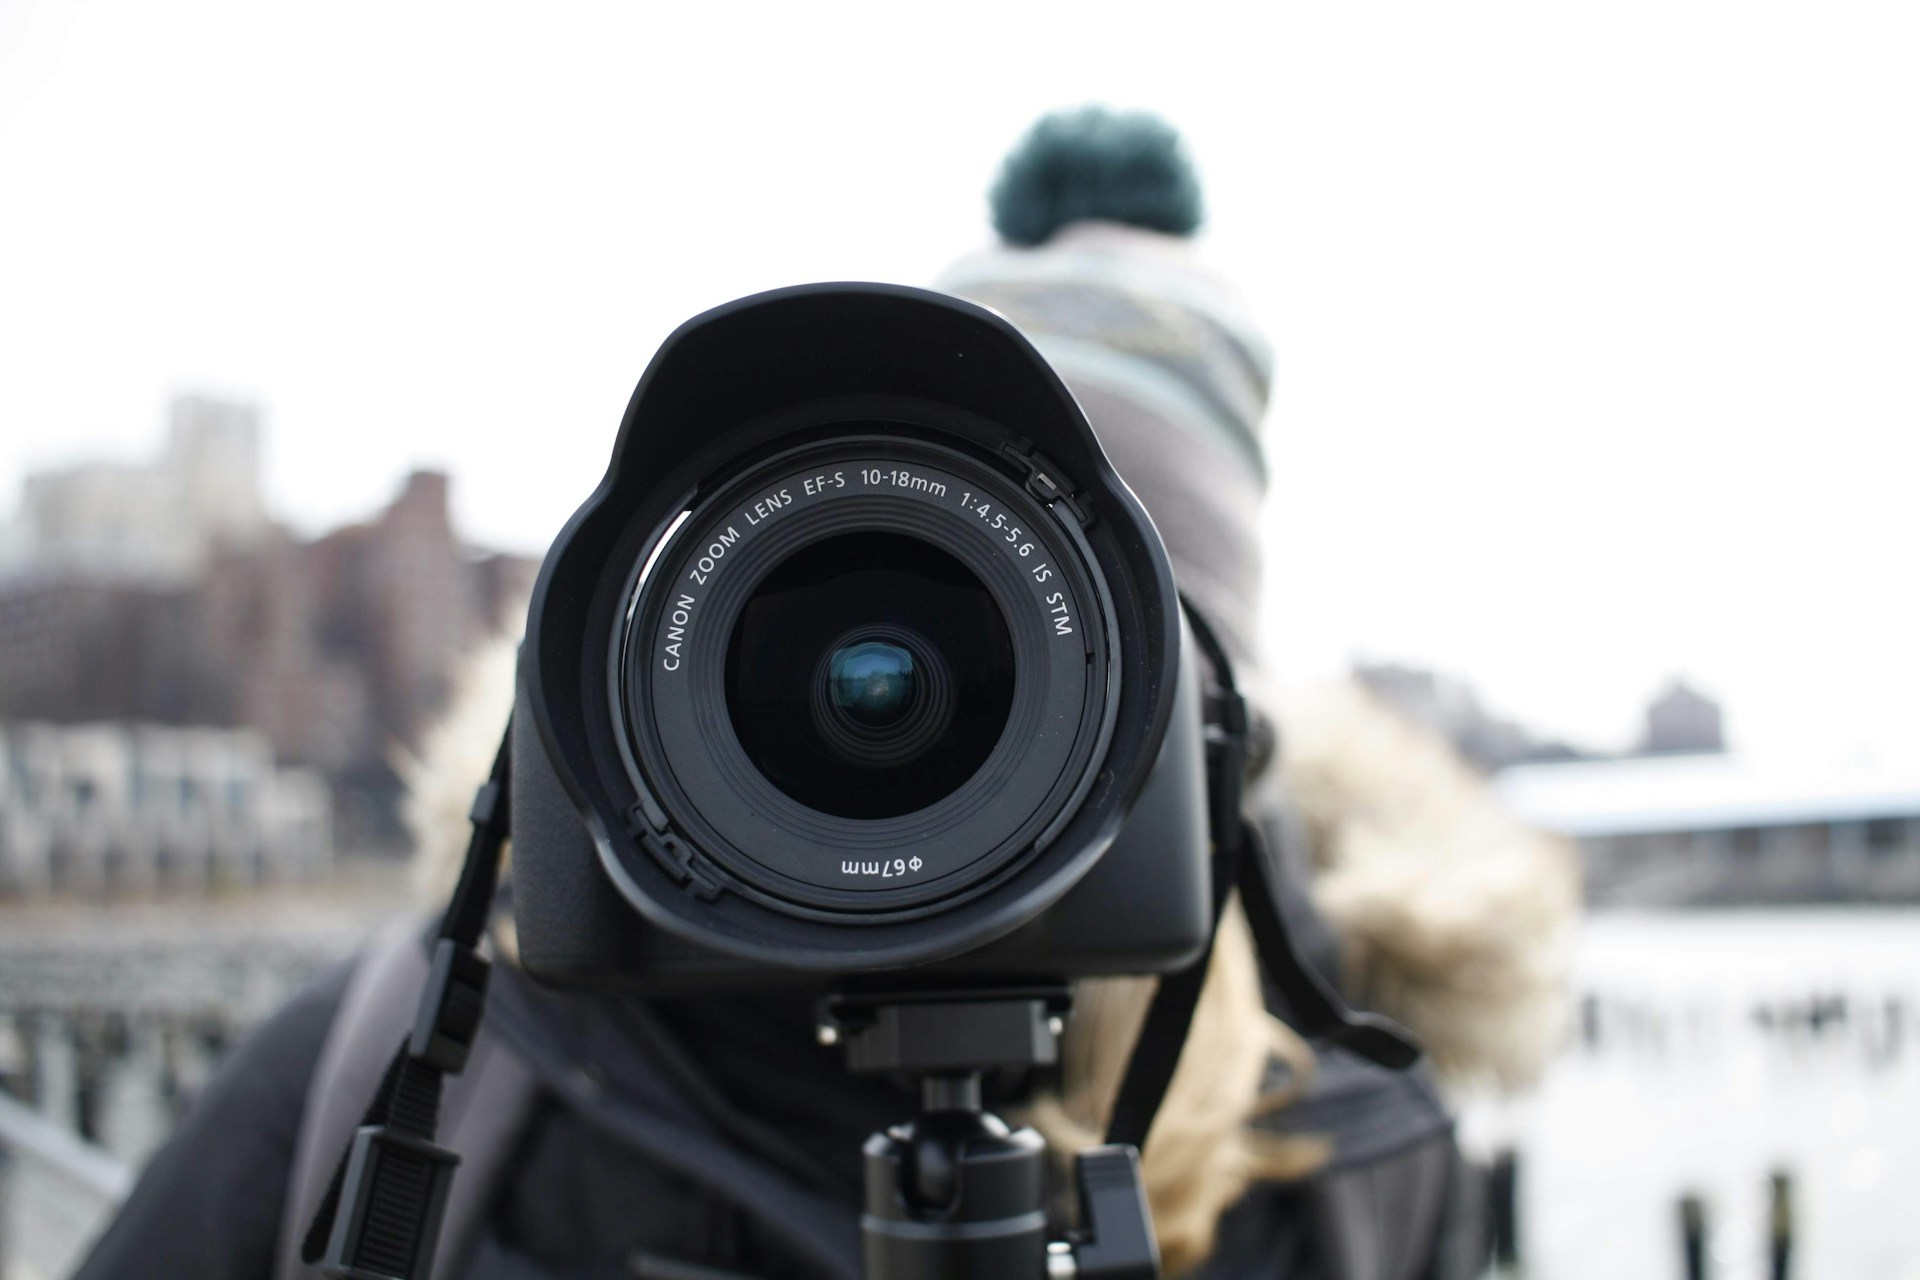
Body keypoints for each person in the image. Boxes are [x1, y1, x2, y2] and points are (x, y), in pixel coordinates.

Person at [74, 107, 1577, 1280]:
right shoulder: (428, 1060)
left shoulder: (1364, 1147)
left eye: (1040, 660)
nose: (896, 701)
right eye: (845, 614)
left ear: (1209, 730)